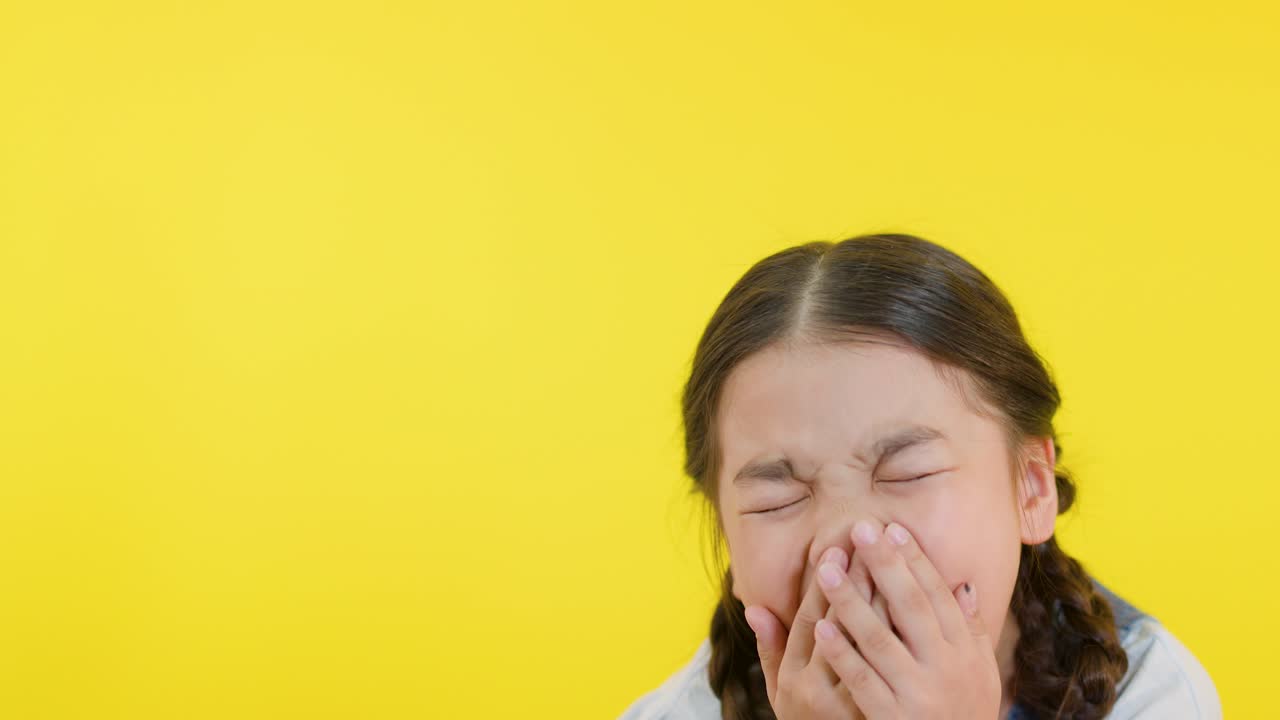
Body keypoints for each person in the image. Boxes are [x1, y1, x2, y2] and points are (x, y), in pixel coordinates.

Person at [618, 234, 1221, 719]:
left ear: (1032, 488)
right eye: (778, 499)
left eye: (908, 473)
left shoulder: (1155, 693)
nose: (846, 543)